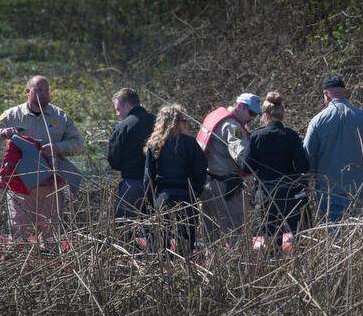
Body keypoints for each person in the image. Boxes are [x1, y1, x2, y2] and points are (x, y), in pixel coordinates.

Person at [0, 75, 85, 238]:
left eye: (46, 90)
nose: (43, 93)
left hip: (50, 187)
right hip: (19, 188)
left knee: (51, 239)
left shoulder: (60, 116)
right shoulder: (12, 114)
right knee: (17, 236)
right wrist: (2, 132)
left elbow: (78, 142)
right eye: (38, 89)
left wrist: (57, 148)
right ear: (27, 91)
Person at [302, 75, 363, 222]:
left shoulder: (317, 120)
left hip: (329, 192)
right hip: (361, 190)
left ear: (326, 94)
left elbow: (308, 153)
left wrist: (309, 180)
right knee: (361, 237)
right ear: (345, 92)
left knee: (332, 239)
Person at [143, 104, 208, 258]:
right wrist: (194, 194)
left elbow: (148, 178)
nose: (186, 123)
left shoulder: (155, 145)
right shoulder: (191, 144)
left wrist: (151, 203)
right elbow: (200, 173)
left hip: (164, 199)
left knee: (160, 248)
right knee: (186, 249)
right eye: (184, 120)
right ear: (178, 122)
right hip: (186, 198)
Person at [246, 92, 309, 248]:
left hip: (266, 195)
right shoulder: (292, 136)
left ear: (265, 115)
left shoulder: (256, 136)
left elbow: (246, 167)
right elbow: (303, 166)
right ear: (282, 113)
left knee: (272, 239)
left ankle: (274, 268)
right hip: (290, 195)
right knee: (298, 238)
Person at [196, 92, 259, 240]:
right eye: (250, 113)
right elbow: (242, 157)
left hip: (207, 184)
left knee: (209, 234)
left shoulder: (216, 117)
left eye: (255, 114)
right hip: (225, 187)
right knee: (236, 231)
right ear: (239, 106)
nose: (252, 118)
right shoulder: (233, 127)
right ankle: (237, 263)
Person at [106, 88, 155, 219]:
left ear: (127, 106)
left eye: (118, 109)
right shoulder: (158, 123)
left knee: (127, 230)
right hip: (157, 186)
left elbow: (113, 159)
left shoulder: (123, 127)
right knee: (156, 229)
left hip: (132, 184)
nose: (117, 114)